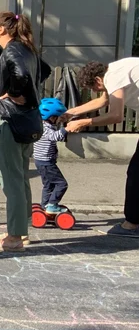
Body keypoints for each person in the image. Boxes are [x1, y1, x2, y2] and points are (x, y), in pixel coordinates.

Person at [0, 12, 51, 253]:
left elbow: (22, 75)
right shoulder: (27, 49)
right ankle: (20, 231)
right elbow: (45, 70)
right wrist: (28, 94)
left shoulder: (12, 50)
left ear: (3, 29)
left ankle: (13, 238)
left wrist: (13, 93)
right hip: (27, 120)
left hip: (9, 121)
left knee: (10, 179)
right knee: (21, 177)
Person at [65, 58, 139, 236]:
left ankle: (131, 225)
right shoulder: (116, 70)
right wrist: (70, 113)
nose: (95, 92)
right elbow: (104, 101)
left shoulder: (113, 76)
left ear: (98, 80)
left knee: (137, 173)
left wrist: (83, 123)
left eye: (93, 88)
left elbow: (115, 116)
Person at [34, 98, 70, 215]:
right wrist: (67, 129)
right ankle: (52, 205)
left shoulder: (42, 124)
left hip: (42, 161)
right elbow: (56, 137)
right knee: (61, 184)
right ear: (52, 117)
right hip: (46, 162)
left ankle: (45, 205)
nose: (59, 119)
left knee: (48, 184)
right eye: (58, 117)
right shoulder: (44, 128)